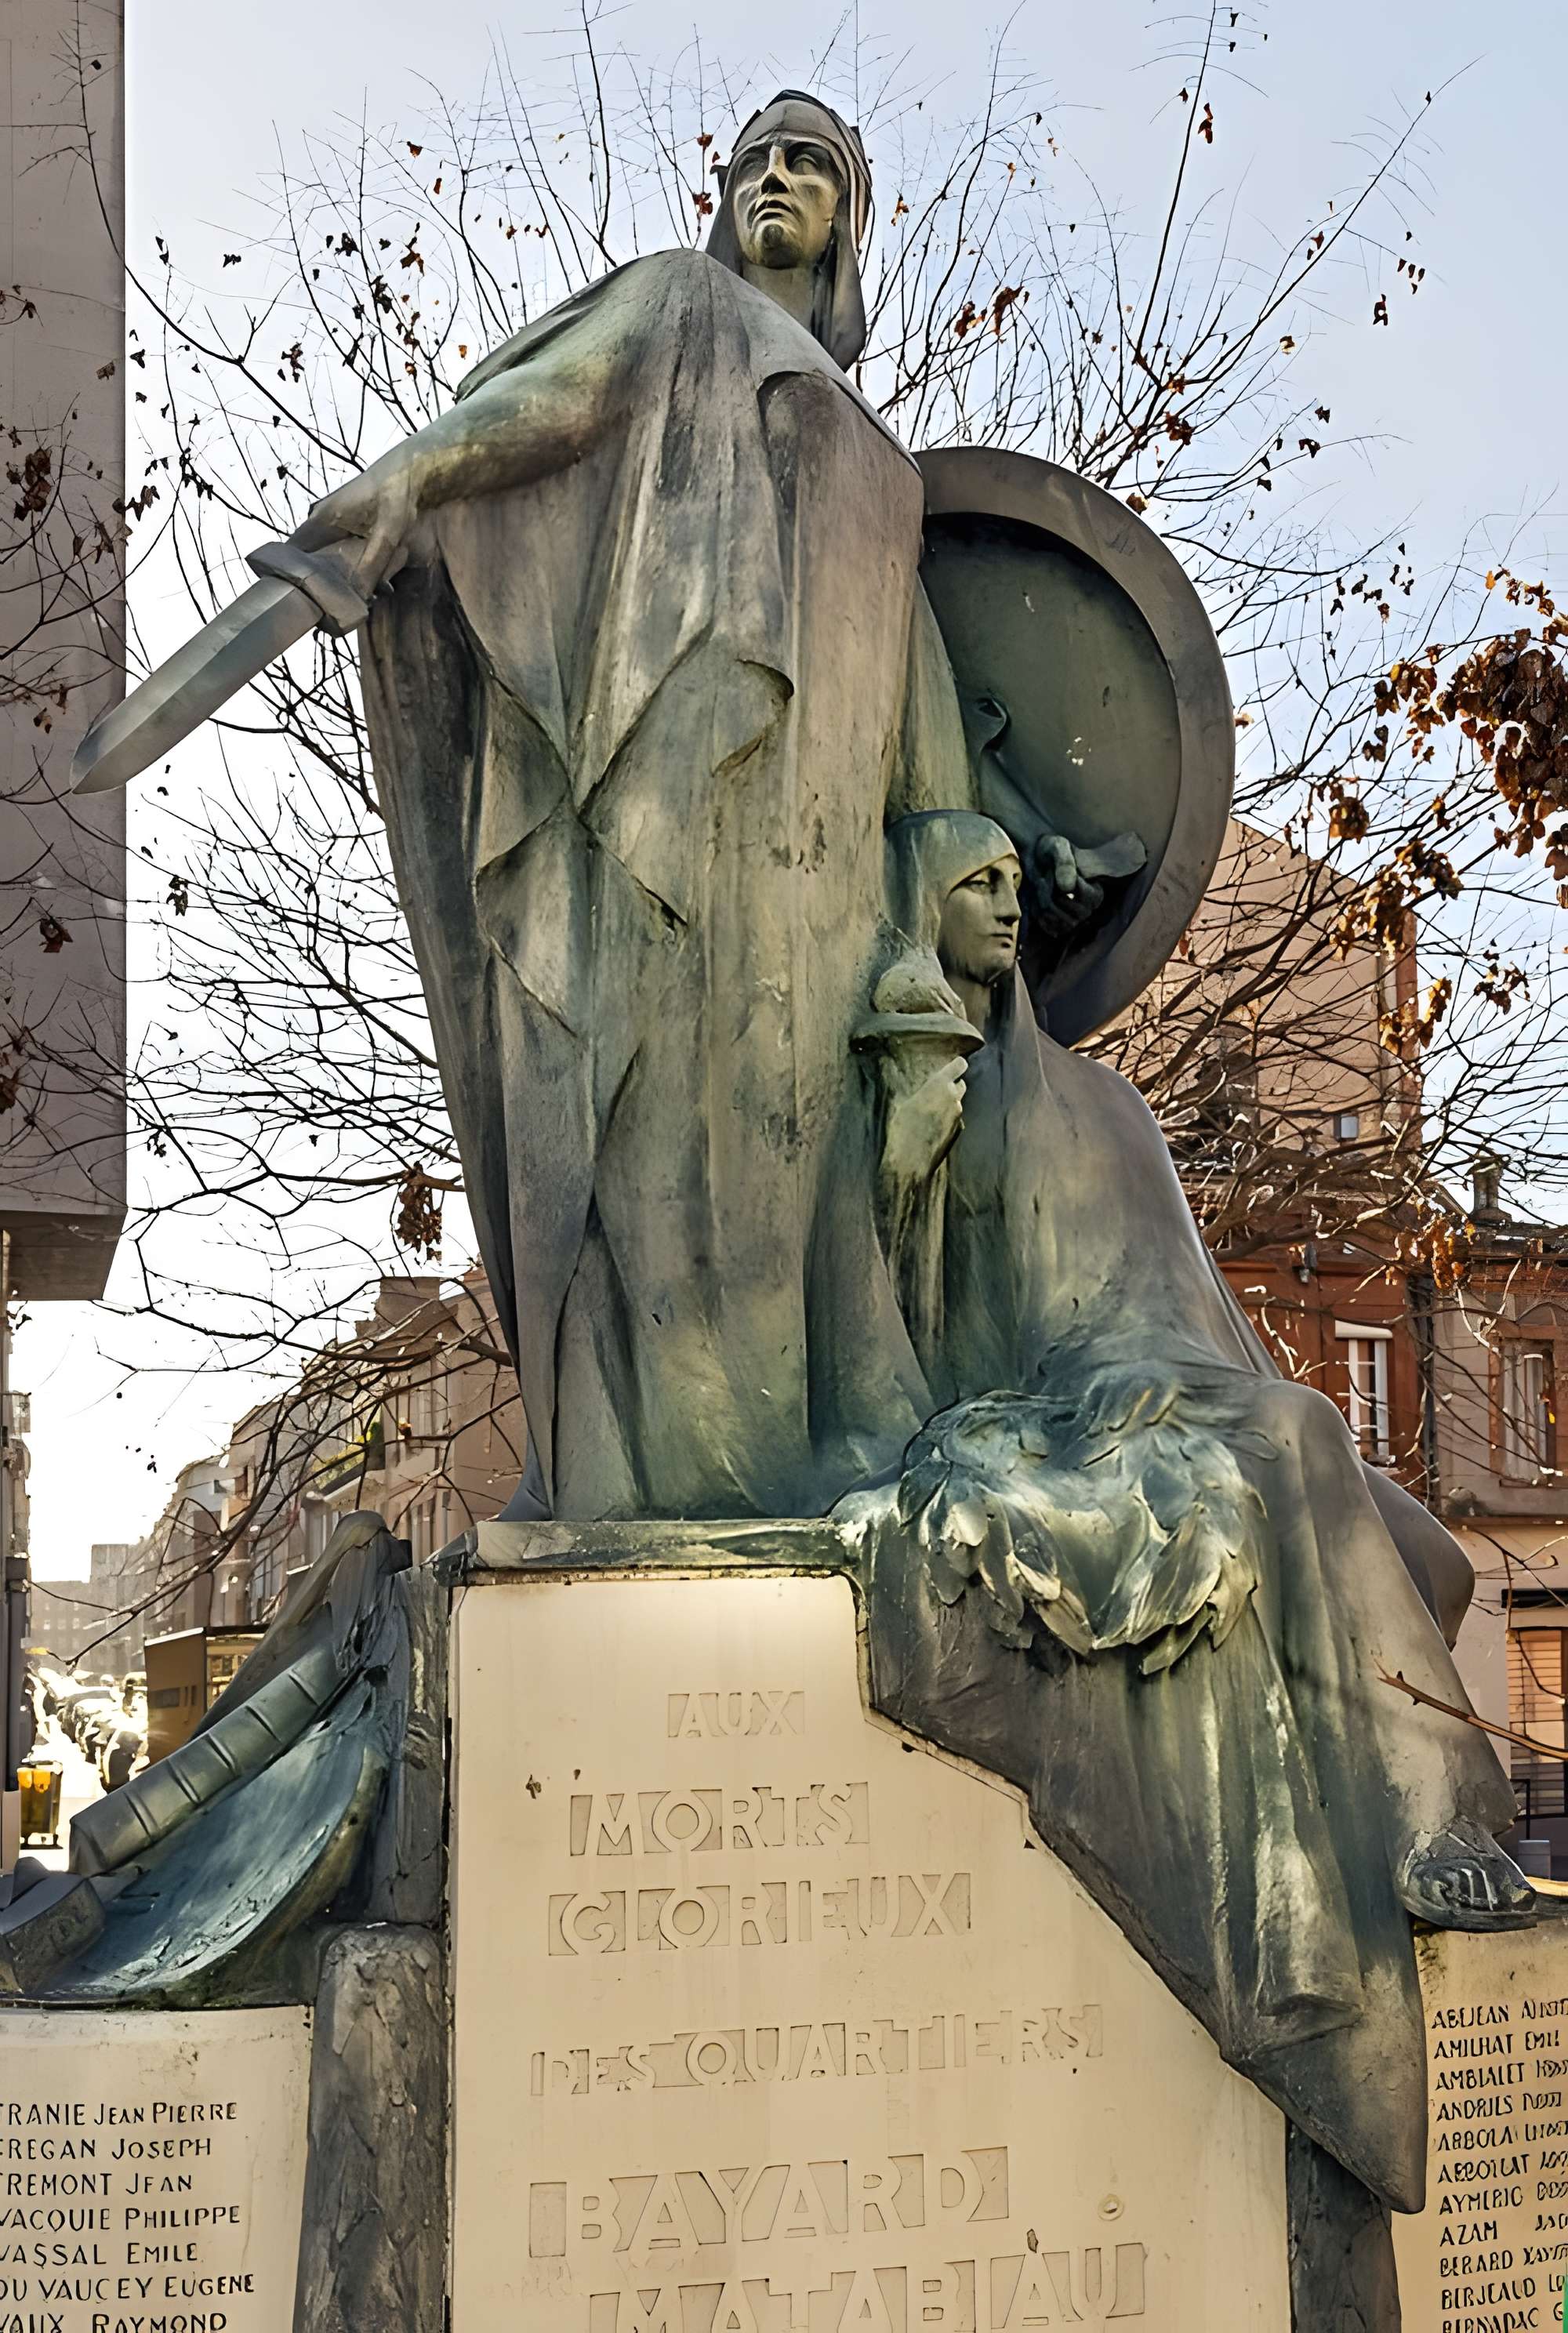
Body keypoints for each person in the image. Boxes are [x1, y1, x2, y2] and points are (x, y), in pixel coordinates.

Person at [840, 810, 1532, 2308]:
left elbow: (1171, 1297)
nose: (1007, 911)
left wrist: (1149, 1365)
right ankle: (1427, 1828)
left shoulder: (1106, 1107)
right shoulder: (910, 1085)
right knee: (1289, 1444)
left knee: (1428, 1556)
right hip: (1036, 1414)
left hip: (1154, 1380)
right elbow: (898, 1319)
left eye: (1017, 887)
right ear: (914, 903)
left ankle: (1405, 1806)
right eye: (974, 887)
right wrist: (908, 1142)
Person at [290, 94, 971, 1522]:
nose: (777, 179)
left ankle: (797, 1501)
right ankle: (631, 1503)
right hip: (676, 839)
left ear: (850, 218)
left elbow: (917, 719)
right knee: (660, 1200)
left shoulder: (879, 451)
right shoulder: (681, 313)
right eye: (757, 159)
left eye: (811, 165)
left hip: (827, 900)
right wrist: (411, 479)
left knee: (793, 1232)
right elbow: (533, 415)